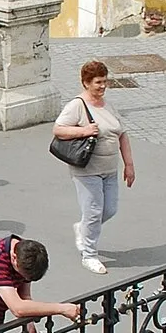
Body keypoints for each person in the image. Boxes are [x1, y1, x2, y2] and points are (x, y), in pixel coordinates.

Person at [52, 60, 138, 276]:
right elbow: (58, 129)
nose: (102, 86)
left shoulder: (107, 104)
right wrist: (84, 131)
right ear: (86, 83)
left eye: (105, 82)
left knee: (109, 209)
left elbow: (122, 134)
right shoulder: (77, 105)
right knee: (93, 211)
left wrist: (129, 164)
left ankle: (82, 229)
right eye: (98, 82)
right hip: (87, 169)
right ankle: (89, 254)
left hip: (110, 168)